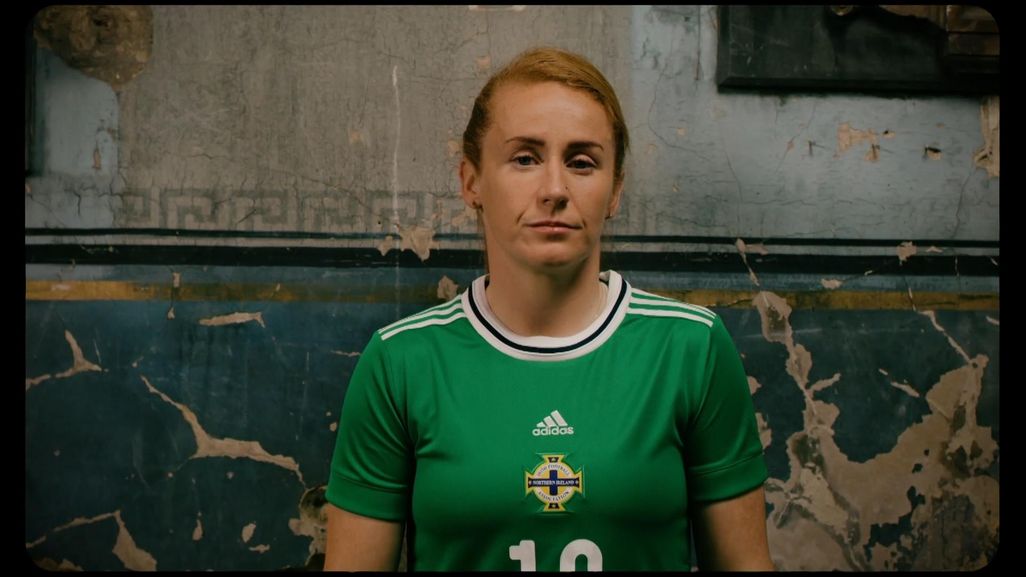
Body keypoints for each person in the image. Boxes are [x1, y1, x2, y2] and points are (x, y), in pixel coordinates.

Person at [323, 46, 773, 572]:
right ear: (471, 181)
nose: (554, 189)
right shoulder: (401, 362)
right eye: (525, 158)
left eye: (582, 163)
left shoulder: (691, 349)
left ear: (615, 190)